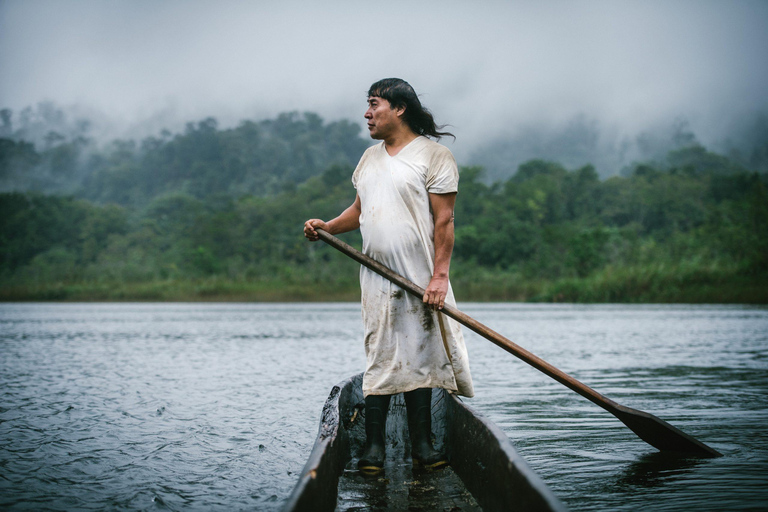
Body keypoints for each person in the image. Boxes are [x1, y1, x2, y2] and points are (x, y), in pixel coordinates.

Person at [304, 78, 473, 474]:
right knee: (380, 353)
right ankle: (375, 451)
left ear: (399, 108)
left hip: (419, 277)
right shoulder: (369, 158)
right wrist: (326, 226)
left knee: (421, 356)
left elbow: (445, 220)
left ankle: (424, 448)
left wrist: (439, 279)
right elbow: (360, 211)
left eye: (373, 104)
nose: (367, 113)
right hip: (377, 277)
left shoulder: (434, 156)